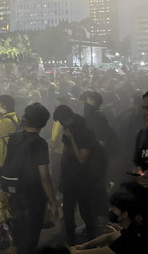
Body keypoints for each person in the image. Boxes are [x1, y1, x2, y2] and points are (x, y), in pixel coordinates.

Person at [4, 102, 58, 254]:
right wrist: (53, 203)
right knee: (30, 235)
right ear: (43, 123)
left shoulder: (14, 137)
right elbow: (45, 176)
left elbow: (7, 162)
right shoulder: (39, 143)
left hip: (14, 192)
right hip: (33, 196)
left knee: (17, 229)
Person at [53, 104, 101, 246]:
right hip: (69, 178)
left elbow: (81, 158)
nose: (62, 125)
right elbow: (66, 153)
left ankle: (91, 241)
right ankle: (71, 241)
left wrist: (72, 140)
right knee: (68, 210)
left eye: (62, 122)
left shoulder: (84, 131)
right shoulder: (70, 128)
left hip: (83, 178)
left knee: (85, 209)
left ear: (65, 119)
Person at [68, 188, 148, 254]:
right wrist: (84, 246)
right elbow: (110, 236)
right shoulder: (132, 226)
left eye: (114, 209)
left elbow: (104, 251)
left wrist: (76, 253)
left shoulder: (134, 234)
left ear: (125, 214)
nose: (111, 212)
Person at [0, 94, 19, 169]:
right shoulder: (12, 116)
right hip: (6, 154)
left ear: (4, 107)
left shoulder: (5, 121)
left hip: (3, 157)